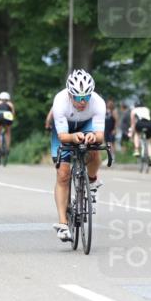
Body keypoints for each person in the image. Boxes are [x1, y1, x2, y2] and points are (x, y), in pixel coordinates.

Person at [50, 69, 106, 242]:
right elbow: (63, 137)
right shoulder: (60, 102)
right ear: (69, 94)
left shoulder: (98, 103)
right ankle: (63, 224)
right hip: (64, 130)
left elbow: (100, 135)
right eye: (78, 98)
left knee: (94, 150)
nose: (83, 102)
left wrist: (92, 137)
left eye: (86, 97)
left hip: (86, 125)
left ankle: (92, 180)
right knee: (63, 174)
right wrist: (73, 137)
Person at [130, 99, 151, 166]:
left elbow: (132, 124)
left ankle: (137, 150)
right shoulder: (147, 109)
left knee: (137, 134)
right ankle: (150, 157)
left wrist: (132, 133)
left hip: (140, 123)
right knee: (149, 142)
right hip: (149, 124)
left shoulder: (134, 110)